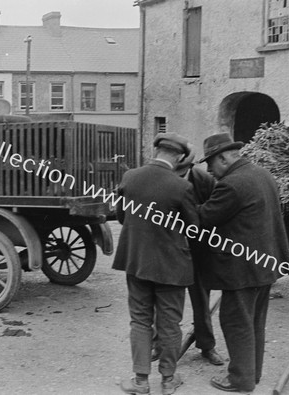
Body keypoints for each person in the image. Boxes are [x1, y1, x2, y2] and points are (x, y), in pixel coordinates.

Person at [197, 133, 289, 392]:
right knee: (255, 321)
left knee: (235, 321)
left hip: (242, 268)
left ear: (224, 157)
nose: (208, 170)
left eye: (210, 163)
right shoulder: (263, 175)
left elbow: (204, 218)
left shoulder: (232, 184)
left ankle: (240, 379)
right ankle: (253, 373)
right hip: (266, 263)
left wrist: (186, 204)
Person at [113, 132, 199, 395]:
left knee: (139, 320)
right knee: (170, 323)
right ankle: (168, 380)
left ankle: (140, 381)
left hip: (136, 261)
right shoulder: (182, 187)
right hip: (171, 267)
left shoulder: (130, 178)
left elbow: (120, 217)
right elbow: (194, 229)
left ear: (157, 151)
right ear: (179, 157)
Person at [152, 145, 225, 366]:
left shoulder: (204, 180)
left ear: (190, 167)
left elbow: (217, 211)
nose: (178, 177)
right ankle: (159, 344)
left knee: (201, 299)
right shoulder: (161, 177)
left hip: (198, 250)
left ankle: (206, 346)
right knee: (163, 300)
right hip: (168, 250)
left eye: (182, 173)